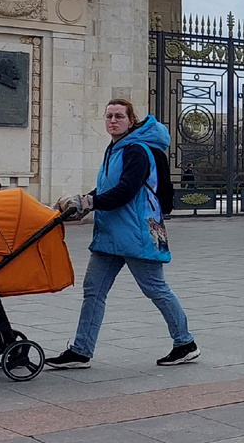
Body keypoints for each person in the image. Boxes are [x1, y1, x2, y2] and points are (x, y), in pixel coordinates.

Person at [46, 97, 200, 369]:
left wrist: (91, 202)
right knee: (93, 290)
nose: (113, 121)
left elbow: (126, 191)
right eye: (109, 116)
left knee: (156, 288)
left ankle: (185, 343)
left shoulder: (136, 150)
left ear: (131, 121)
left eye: (119, 116)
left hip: (136, 232)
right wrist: (83, 200)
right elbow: (108, 189)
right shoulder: (115, 149)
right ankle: (81, 351)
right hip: (110, 234)